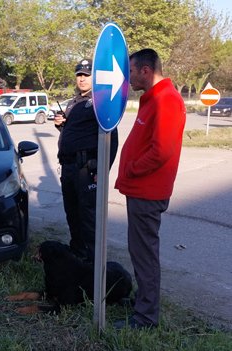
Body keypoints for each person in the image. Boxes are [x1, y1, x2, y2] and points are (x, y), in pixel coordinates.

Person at [114, 49, 186, 330]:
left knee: (144, 255)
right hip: (141, 190)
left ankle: (145, 318)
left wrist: (132, 168)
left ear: (145, 70)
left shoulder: (166, 100)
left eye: (130, 72)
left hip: (148, 191)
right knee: (140, 252)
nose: (128, 78)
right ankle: (143, 303)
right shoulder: (155, 98)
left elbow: (161, 151)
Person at [54, 58, 118, 262]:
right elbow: (77, 131)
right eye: (79, 75)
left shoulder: (100, 101)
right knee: (72, 213)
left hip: (86, 168)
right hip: (69, 166)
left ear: (95, 77)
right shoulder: (75, 101)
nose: (81, 79)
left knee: (88, 217)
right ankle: (77, 255)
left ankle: (92, 262)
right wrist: (61, 124)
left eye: (86, 75)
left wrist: (103, 170)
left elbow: (112, 138)